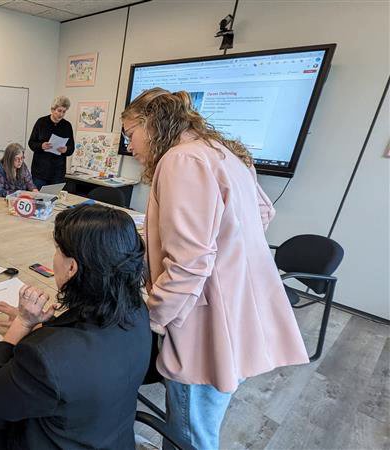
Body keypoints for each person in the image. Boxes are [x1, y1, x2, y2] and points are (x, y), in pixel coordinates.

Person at [121, 88, 309, 450]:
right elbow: (263, 213)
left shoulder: (181, 160)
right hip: (236, 305)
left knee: (191, 428)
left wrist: (149, 317)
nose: (130, 146)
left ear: (153, 124)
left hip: (203, 318)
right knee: (205, 413)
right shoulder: (222, 152)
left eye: (131, 133)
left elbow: (189, 261)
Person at [0, 204, 151, 449]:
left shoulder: (43, 356)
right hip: (111, 437)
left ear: (72, 267)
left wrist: (22, 324)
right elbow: (86, 353)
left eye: (57, 251)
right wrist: (46, 326)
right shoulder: (137, 310)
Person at [27, 95, 75, 189]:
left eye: (64, 112)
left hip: (58, 172)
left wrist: (66, 149)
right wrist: (41, 146)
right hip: (40, 171)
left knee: (54, 200)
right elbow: (31, 143)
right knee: (38, 199)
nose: (61, 114)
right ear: (52, 110)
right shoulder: (41, 122)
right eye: (59, 111)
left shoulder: (67, 125)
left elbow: (71, 148)